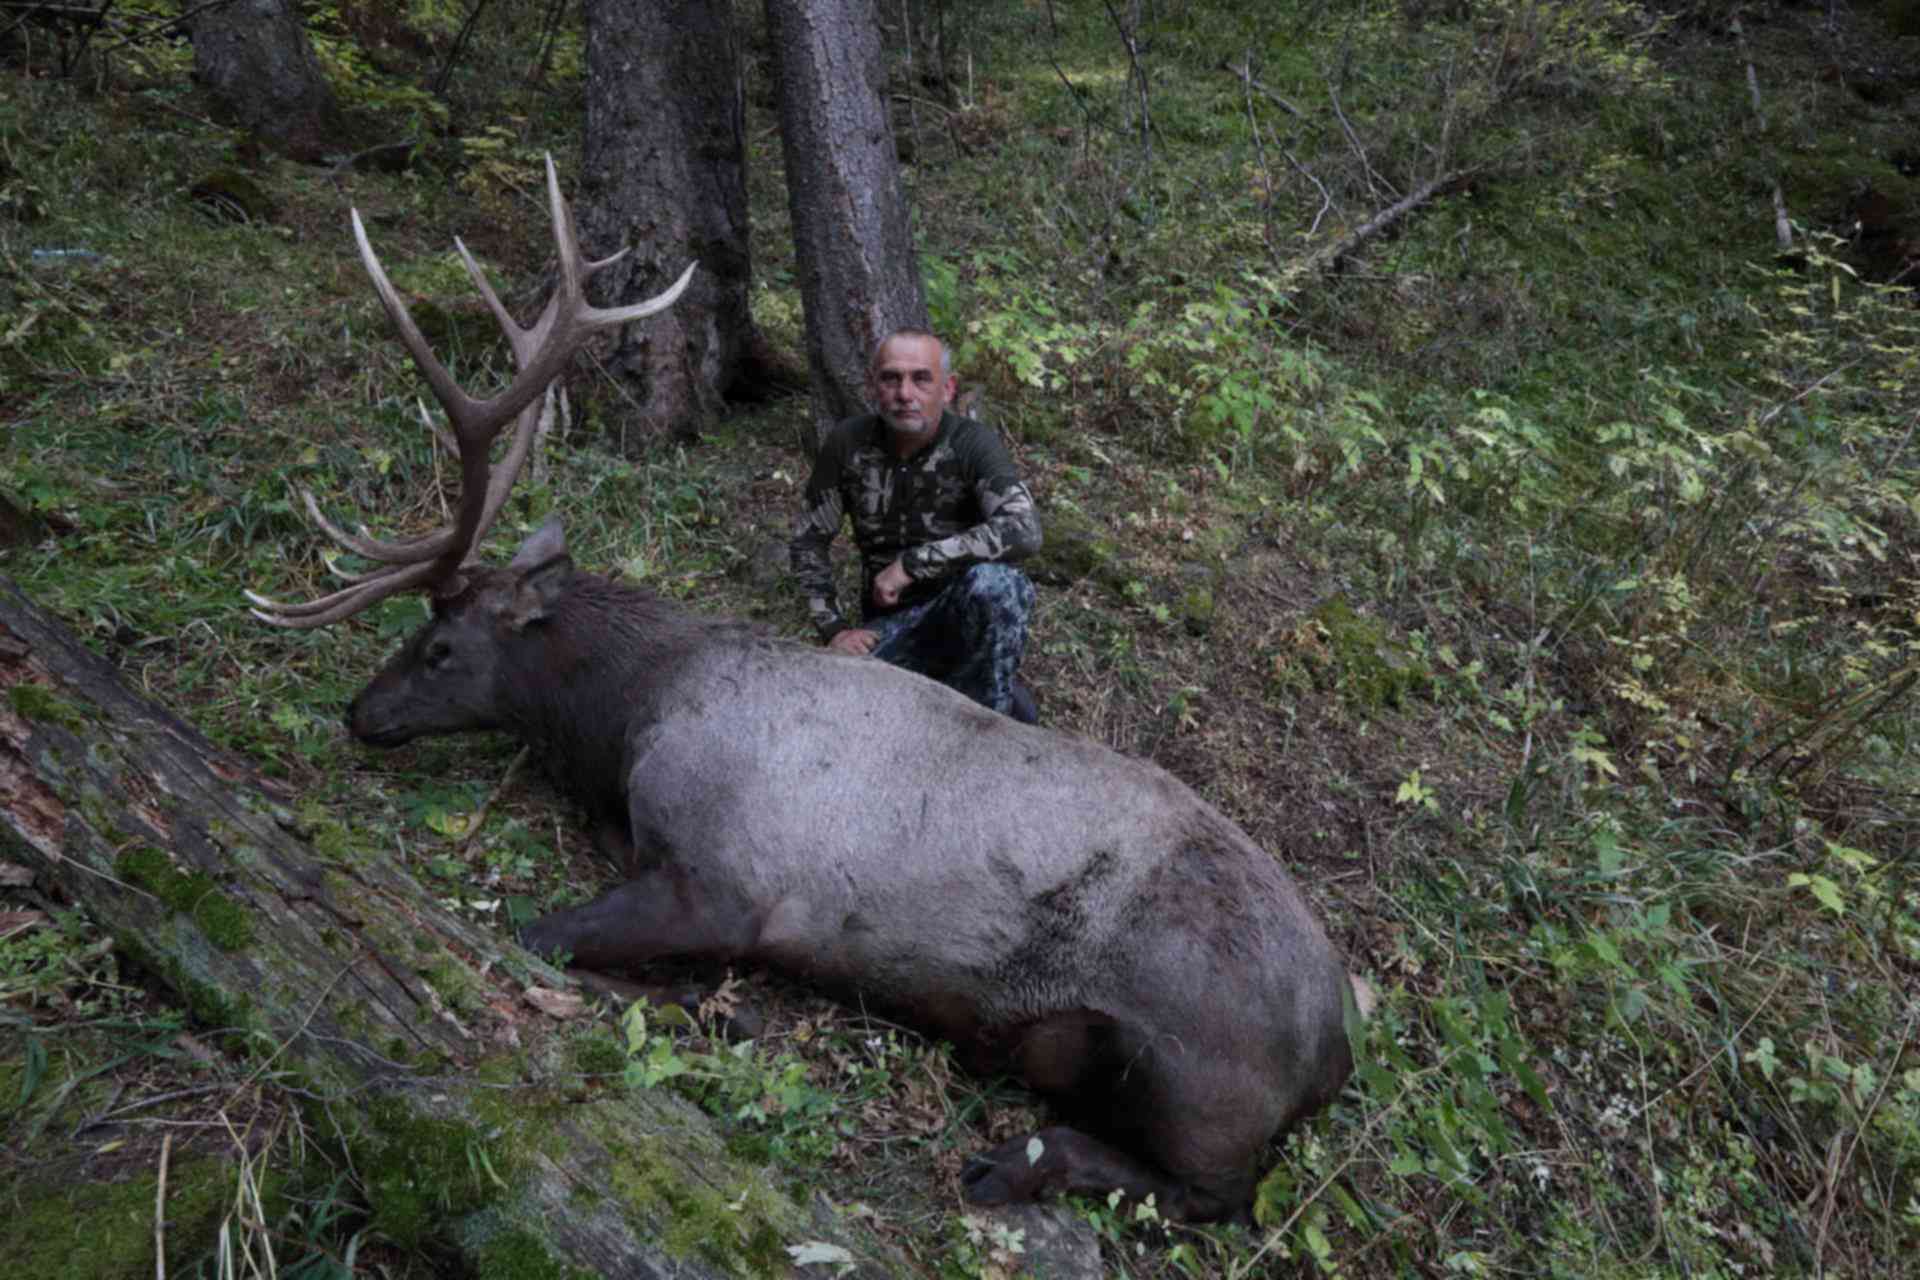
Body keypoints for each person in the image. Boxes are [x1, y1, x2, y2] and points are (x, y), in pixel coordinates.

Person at [790, 329, 1043, 723]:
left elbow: (1024, 529)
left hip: (964, 623)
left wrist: (913, 564)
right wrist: (834, 628)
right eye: (891, 378)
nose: (905, 394)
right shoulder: (848, 443)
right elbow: (808, 540)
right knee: (823, 706)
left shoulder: (972, 444)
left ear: (947, 389)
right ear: (874, 386)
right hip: (890, 628)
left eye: (921, 379)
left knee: (999, 584)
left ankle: (988, 726)